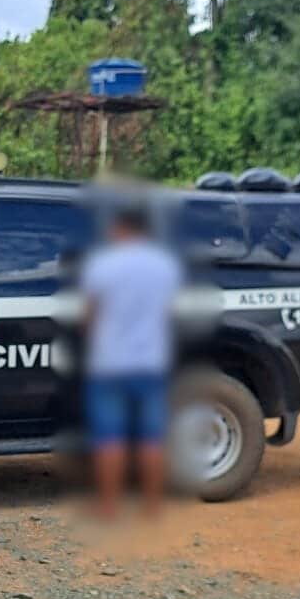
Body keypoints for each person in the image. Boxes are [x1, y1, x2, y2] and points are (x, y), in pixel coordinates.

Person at [79, 202, 182, 519]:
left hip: (109, 363)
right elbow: (169, 311)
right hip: (151, 361)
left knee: (109, 438)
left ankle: (109, 507)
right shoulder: (165, 264)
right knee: (152, 437)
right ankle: (151, 506)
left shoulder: (102, 264)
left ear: (120, 228)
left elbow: (89, 315)